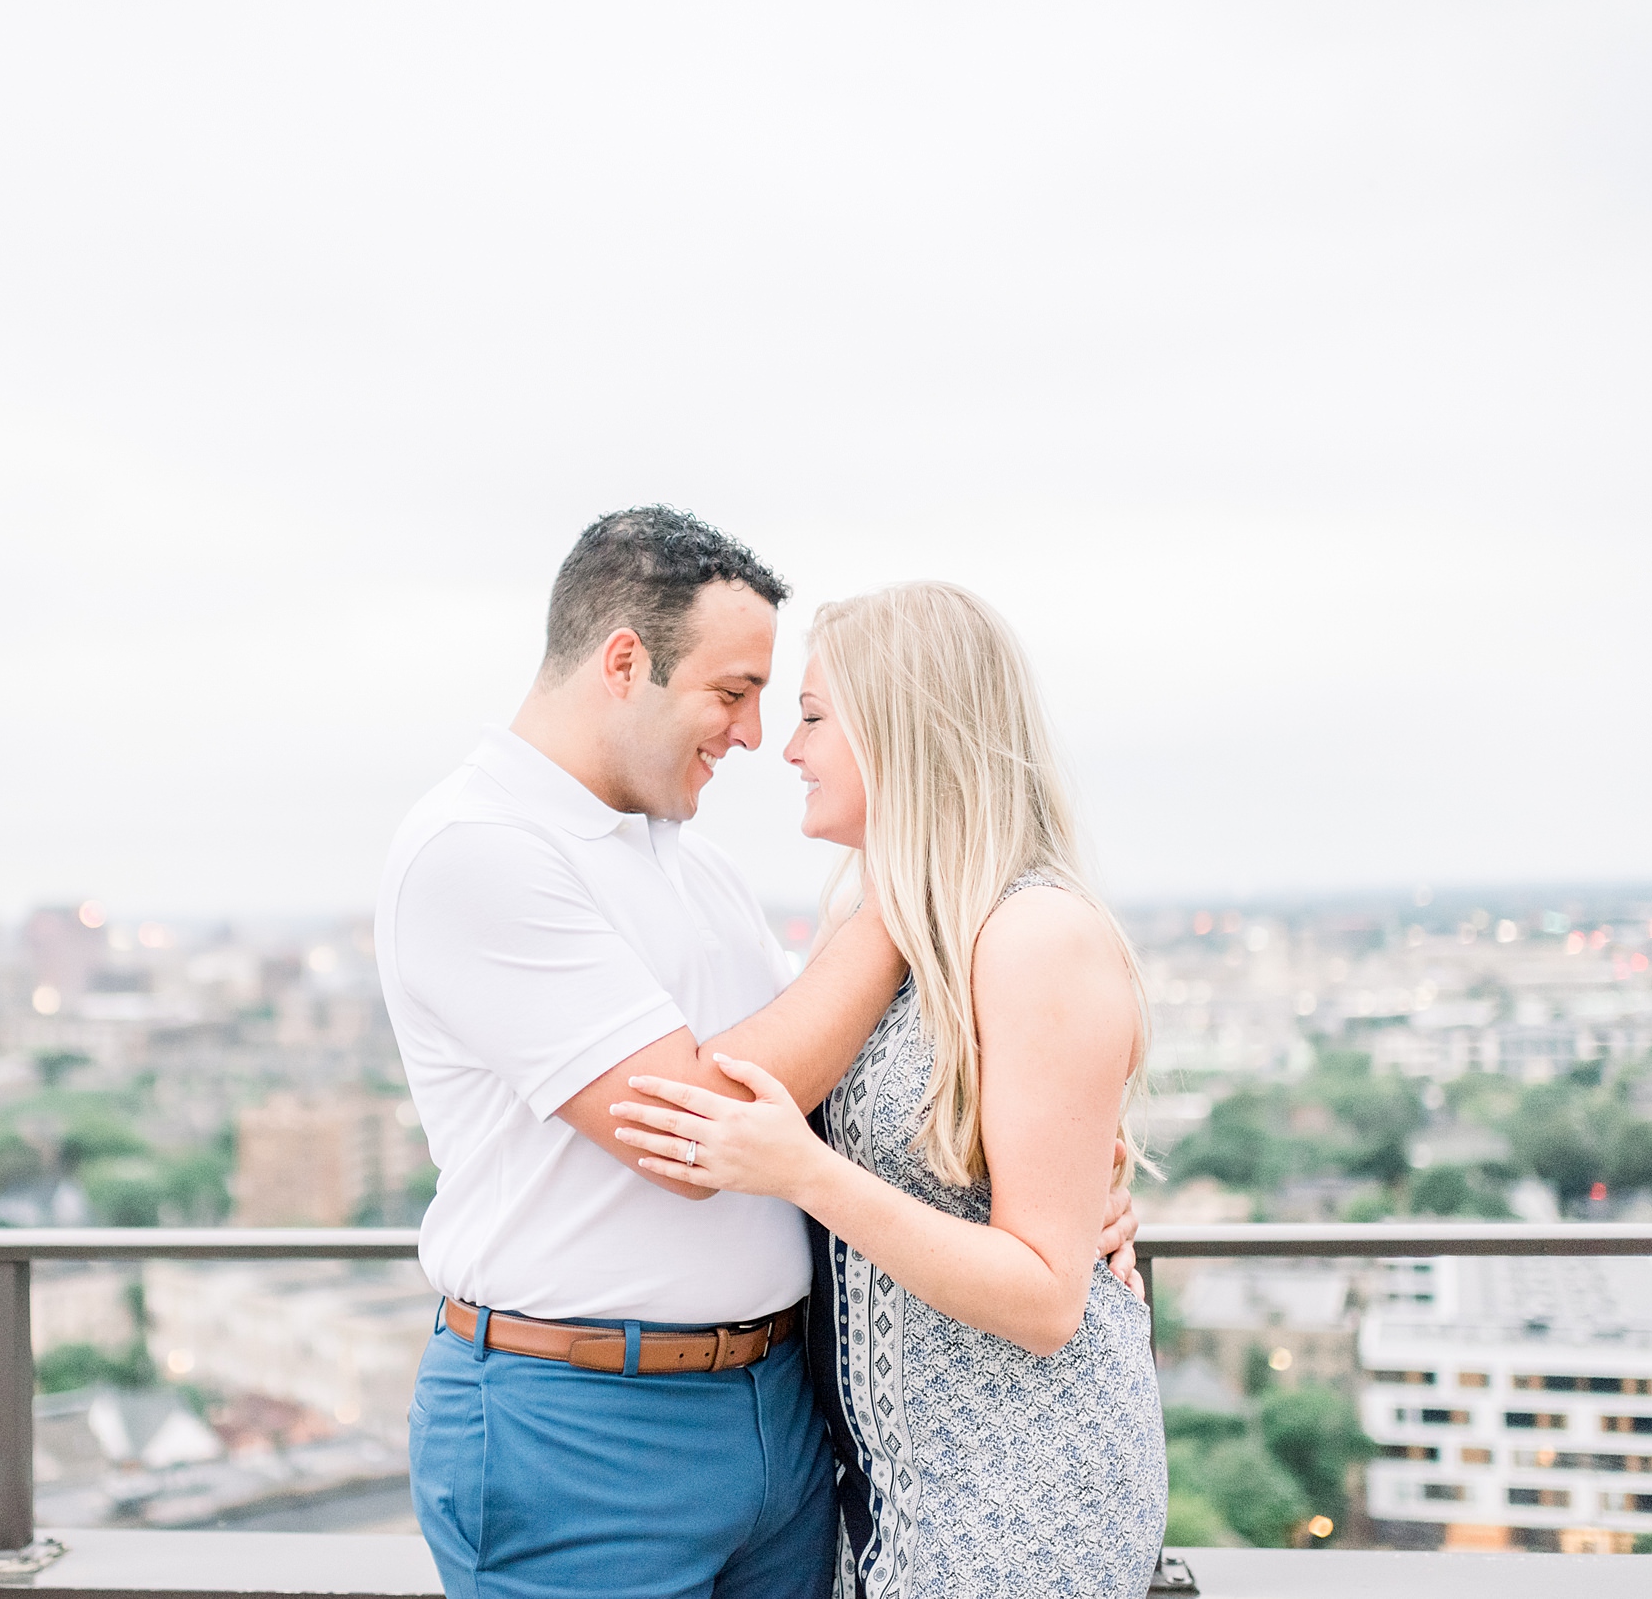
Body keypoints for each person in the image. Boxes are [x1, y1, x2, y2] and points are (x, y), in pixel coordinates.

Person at [376, 512, 1142, 1599]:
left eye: (795, 709)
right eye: (734, 692)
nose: (756, 737)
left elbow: (818, 1098)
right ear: (626, 664)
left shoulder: (692, 869)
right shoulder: (480, 849)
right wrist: (900, 892)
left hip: (788, 1420)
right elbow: (694, 1125)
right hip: (587, 1425)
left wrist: (1059, 1193)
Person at [609, 580, 1168, 1598]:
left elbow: (1046, 1296)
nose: (788, 749)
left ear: (905, 732)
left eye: (816, 717)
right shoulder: (894, 939)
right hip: (897, 1499)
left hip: (1023, 1500)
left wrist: (804, 1171)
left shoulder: (1034, 935)